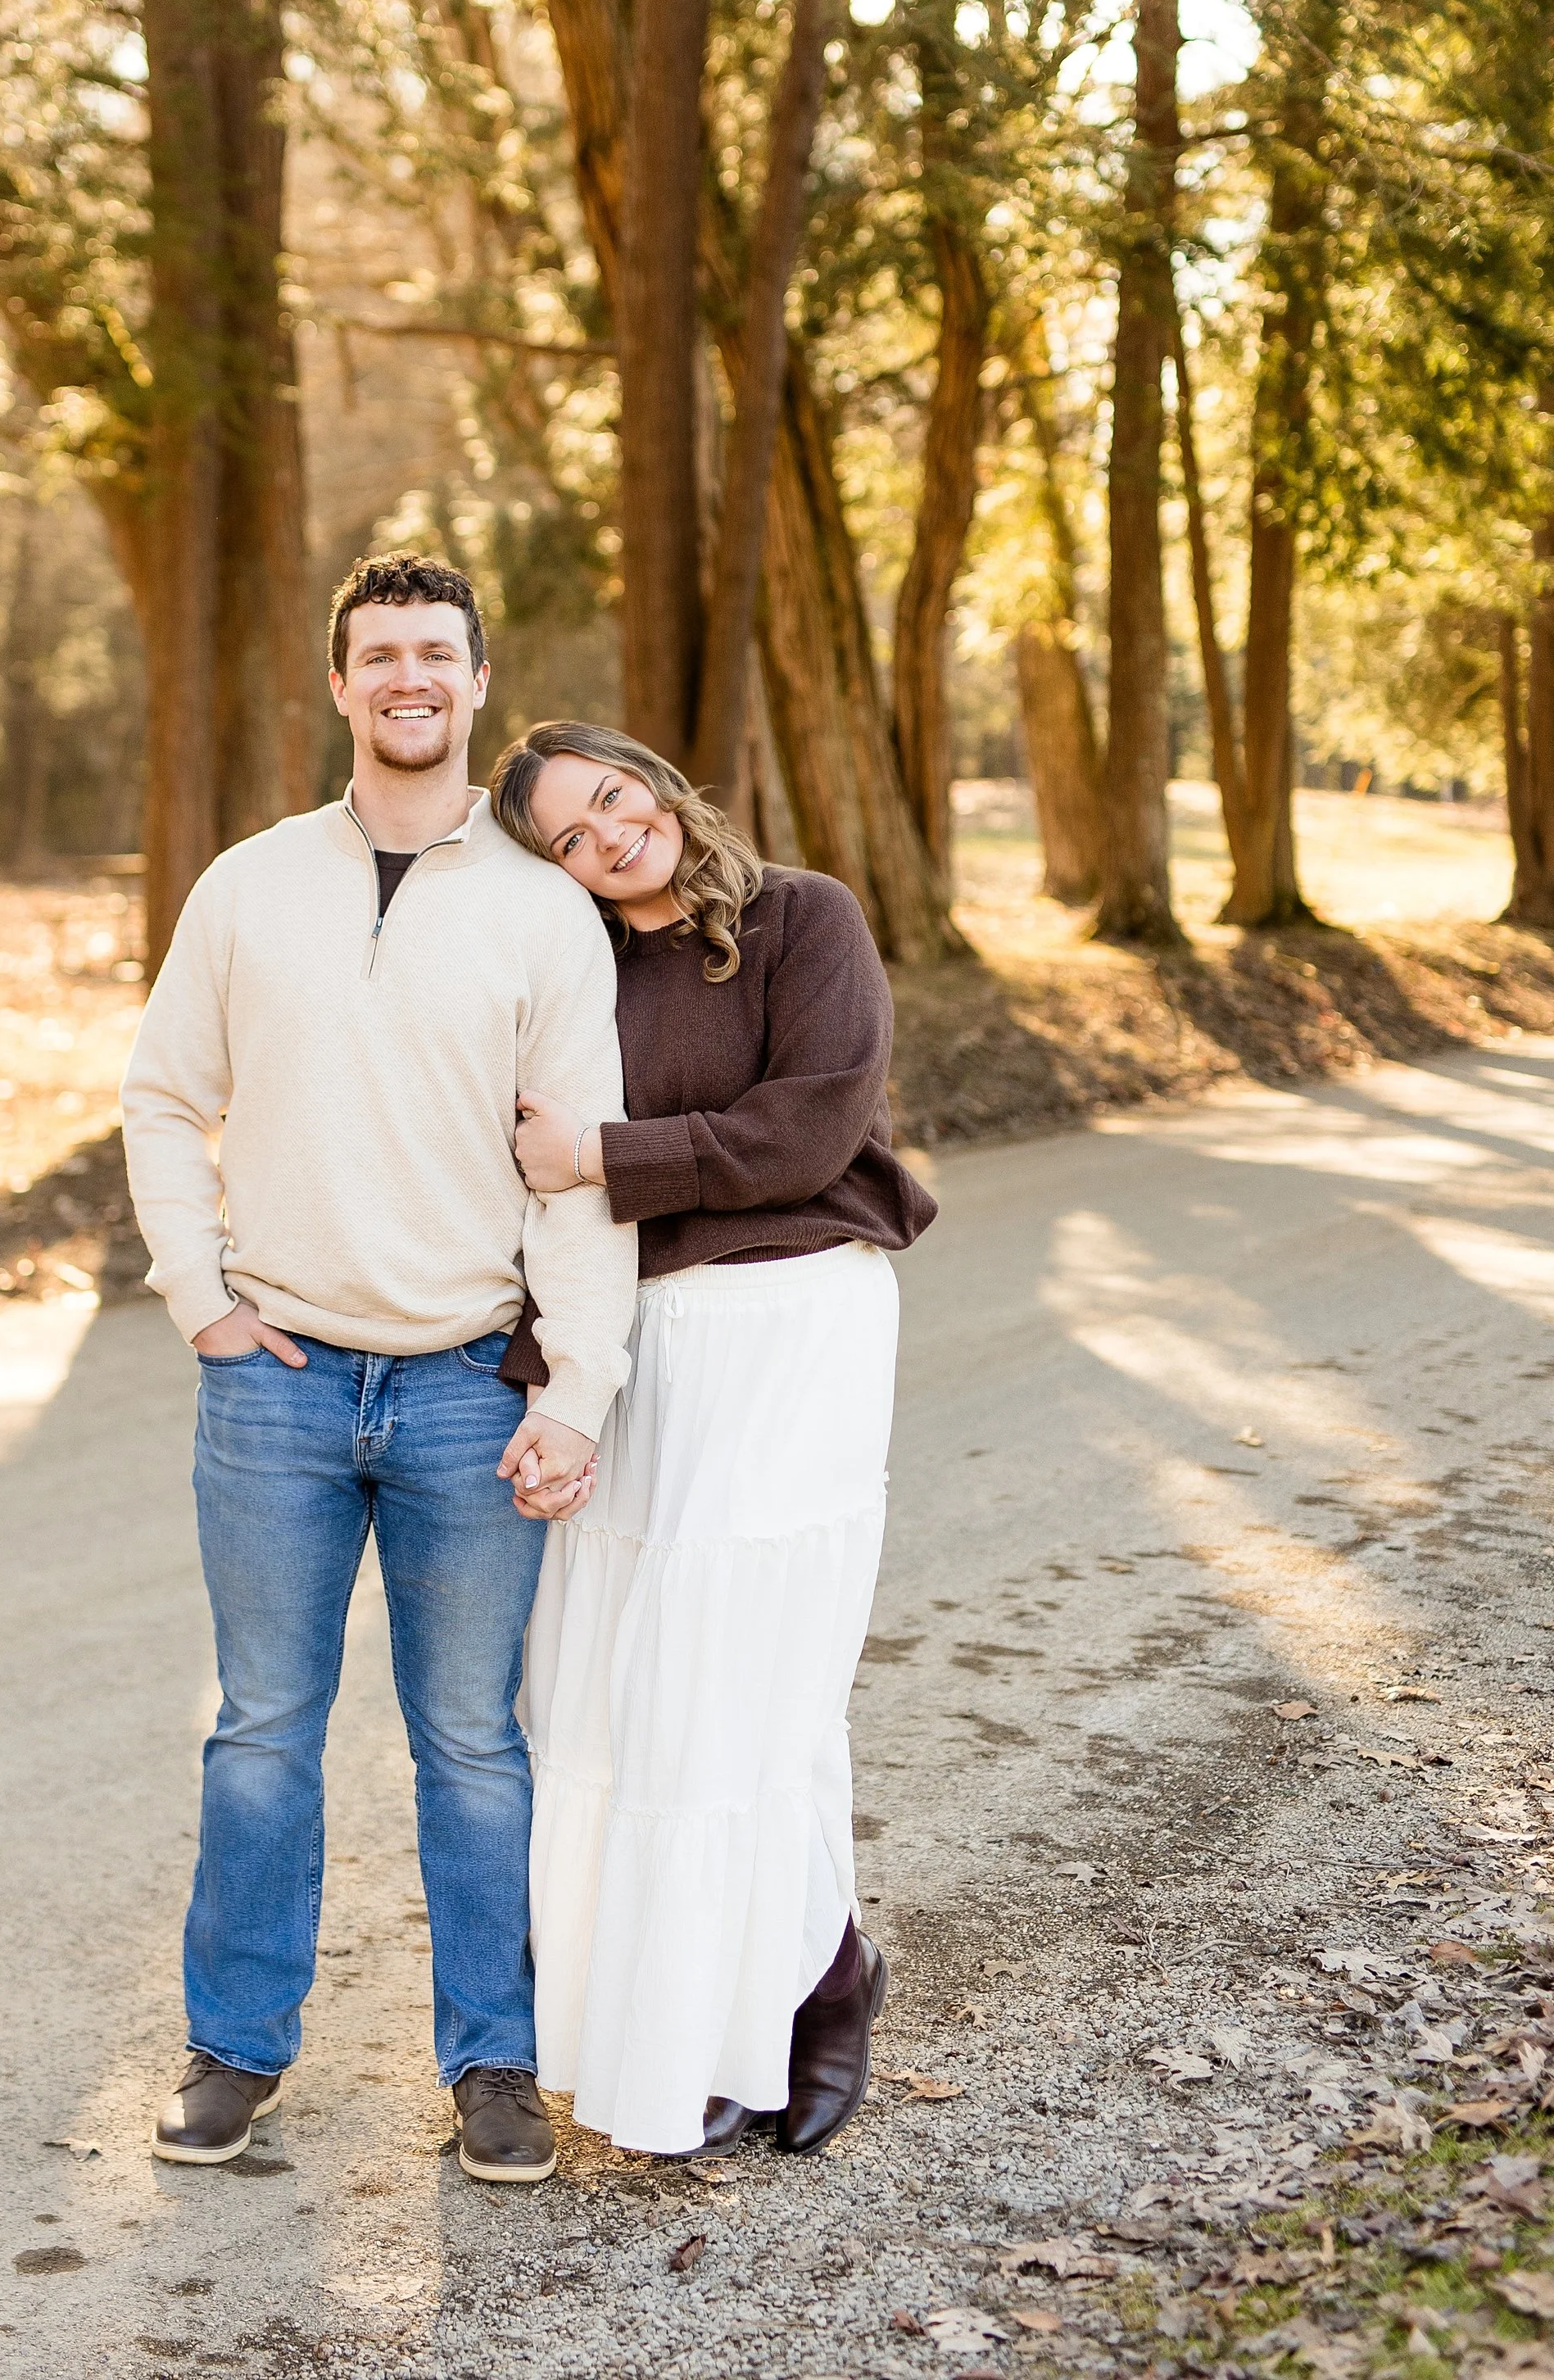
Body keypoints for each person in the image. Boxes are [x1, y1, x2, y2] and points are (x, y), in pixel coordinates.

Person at [121, 561, 636, 2185]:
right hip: (270, 1380)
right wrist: (197, 1296)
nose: (407, 675)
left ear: (478, 685)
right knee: (261, 1730)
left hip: (463, 1384)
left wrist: (574, 1390)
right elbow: (157, 1098)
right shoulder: (248, 886)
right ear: (338, 687)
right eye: (378, 655)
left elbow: (575, 1175)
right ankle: (234, 2051)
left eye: (436, 653)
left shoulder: (543, 912)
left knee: (473, 1745)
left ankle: (494, 2061)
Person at [490, 719, 937, 2161]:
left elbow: (806, 1133)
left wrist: (610, 1159)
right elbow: (538, 1205)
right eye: (571, 833)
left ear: (659, 786)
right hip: (647, 1340)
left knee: (749, 1675)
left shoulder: (807, 917)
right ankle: (702, 2020)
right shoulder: (579, 980)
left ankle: (815, 1984)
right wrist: (545, 1380)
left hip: (796, 1320)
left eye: (614, 798)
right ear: (552, 868)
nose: (611, 835)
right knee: (626, 1687)